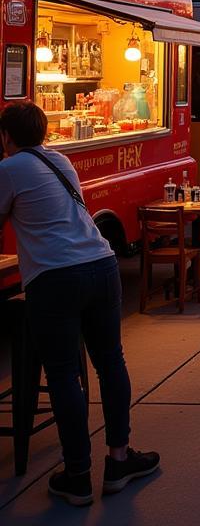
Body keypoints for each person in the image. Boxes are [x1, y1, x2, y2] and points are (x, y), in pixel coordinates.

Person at [0, 102, 159, 506]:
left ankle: (77, 475)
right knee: (110, 362)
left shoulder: (8, 170)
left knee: (63, 375)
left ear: (6, 136)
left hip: (55, 277)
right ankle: (119, 460)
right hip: (100, 265)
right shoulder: (61, 161)